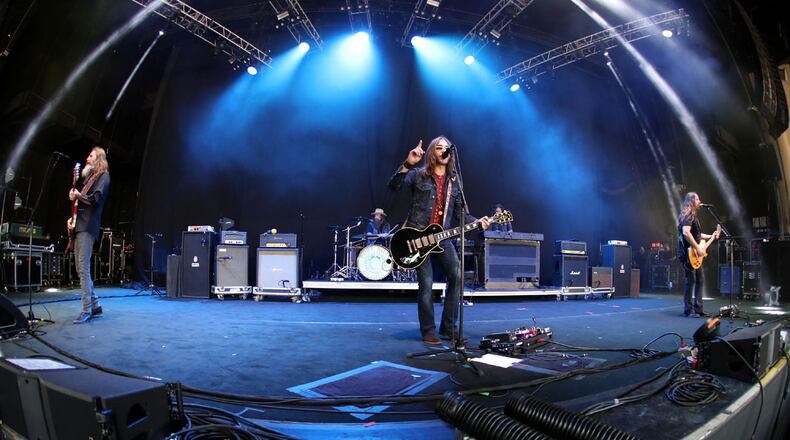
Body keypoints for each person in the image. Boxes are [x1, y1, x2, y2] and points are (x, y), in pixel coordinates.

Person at [388, 136, 489, 345]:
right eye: (439, 147)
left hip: (442, 236)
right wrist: (408, 164)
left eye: (447, 148)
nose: (444, 150)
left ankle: (449, 328)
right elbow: (393, 186)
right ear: (433, 152)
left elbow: (462, 215)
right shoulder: (419, 175)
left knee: (457, 275)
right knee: (426, 283)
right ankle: (428, 331)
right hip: (417, 236)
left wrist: (479, 222)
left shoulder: (455, 181)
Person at [67, 147, 110, 324]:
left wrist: (78, 195)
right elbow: (82, 204)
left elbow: (95, 199)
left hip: (88, 227)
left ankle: (87, 310)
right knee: (80, 268)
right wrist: (71, 219)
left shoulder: (103, 176)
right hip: (79, 226)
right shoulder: (88, 180)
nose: (87, 158)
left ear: (99, 159)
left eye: (90, 156)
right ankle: (96, 305)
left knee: (83, 268)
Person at [677, 192, 719, 318]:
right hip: (687, 253)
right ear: (691, 201)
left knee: (700, 279)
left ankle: (698, 309)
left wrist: (712, 236)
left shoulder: (693, 216)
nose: (700, 201)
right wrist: (697, 248)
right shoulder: (688, 215)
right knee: (690, 281)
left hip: (693, 253)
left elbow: (698, 236)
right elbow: (686, 233)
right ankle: (688, 310)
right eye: (697, 199)